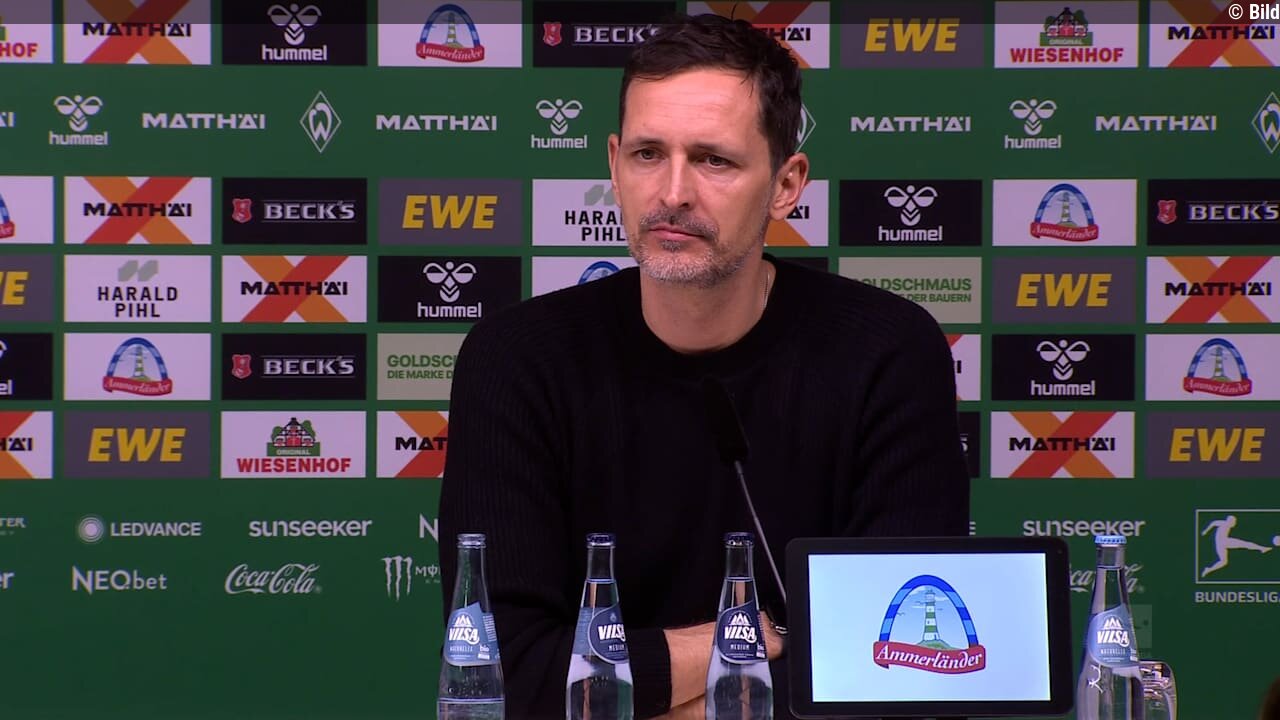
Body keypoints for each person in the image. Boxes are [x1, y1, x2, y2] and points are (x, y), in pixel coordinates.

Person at [440, 14, 969, 720]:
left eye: (714, 160)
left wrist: (634, 691)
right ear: (613, 166)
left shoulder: (887, 351)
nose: (672, 193)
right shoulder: (516, 359)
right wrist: (755, 643)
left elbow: (910, 673)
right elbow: (504, 677)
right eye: (647, 154)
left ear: (786, 185)